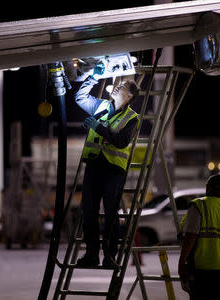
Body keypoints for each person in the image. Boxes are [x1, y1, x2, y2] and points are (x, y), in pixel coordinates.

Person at [74, 62, 140, 267]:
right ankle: (91, 255)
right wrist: (93, 77)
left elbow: (121, 142)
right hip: (94, 167)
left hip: (113, 171)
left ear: (129, 96)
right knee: (89, 212)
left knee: (111, 214)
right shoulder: (102, 105)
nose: (116, 87)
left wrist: (99, 128)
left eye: (121, 88)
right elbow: (80, 97)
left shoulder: (132, 118)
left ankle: (110, 256)